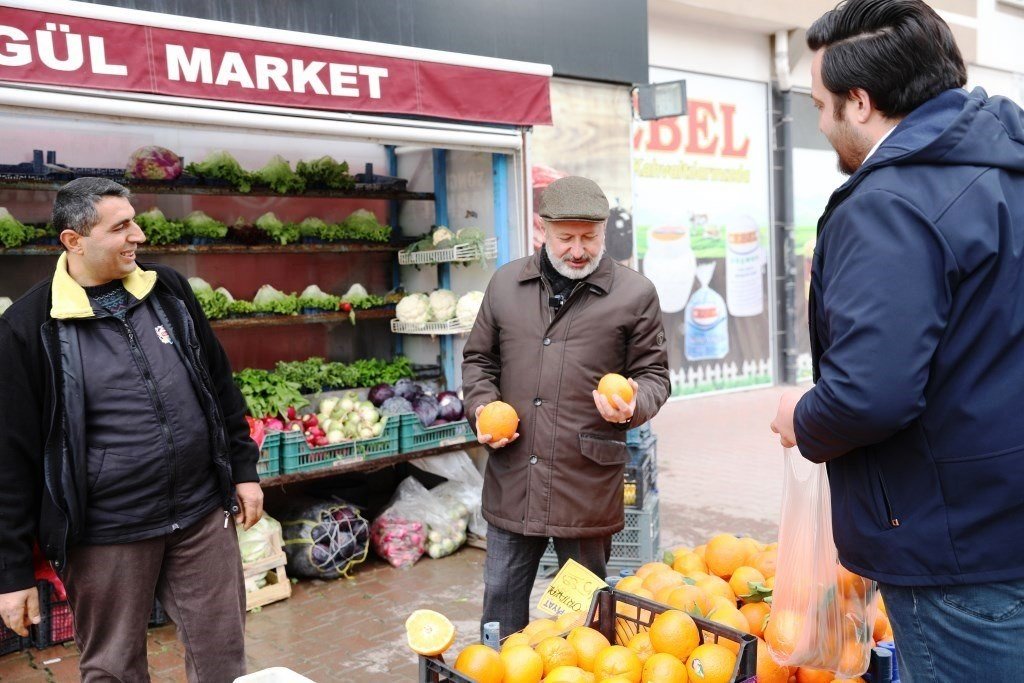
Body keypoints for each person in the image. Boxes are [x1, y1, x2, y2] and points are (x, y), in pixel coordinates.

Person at [770, 1, 1024, 680]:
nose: (820, 123)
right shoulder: (1006, 168)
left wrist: (802, 416)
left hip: (958, 554)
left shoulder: (890, 202)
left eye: (822, 105)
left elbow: (870, 395)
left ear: (860, 102)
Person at [0, 178, 263, 681]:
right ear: (74, 240)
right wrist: (10, 572)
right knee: (115, 668)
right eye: (120, 227)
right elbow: (9, 460)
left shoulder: (168, 291)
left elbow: (217, 383)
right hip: (105, 533)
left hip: (200, 515)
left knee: (223, 659)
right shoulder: (28, 328)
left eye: (134, 221)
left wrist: (243, 469)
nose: (138, 235)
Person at [462, 175, 671, 637]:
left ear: (603, 232)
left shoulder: (634, 294)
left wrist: (634, 405)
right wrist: (481, 408)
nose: (578, 250)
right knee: (501, 602)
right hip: (514, 475)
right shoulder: (505, 285)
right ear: (543, 230)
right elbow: (479, 360)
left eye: (589, 238)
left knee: (582, 614)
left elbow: (655, 377)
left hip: (585, 485)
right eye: (566, 238)